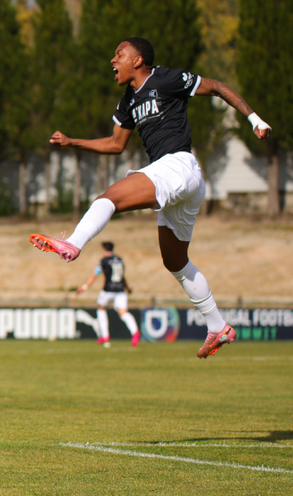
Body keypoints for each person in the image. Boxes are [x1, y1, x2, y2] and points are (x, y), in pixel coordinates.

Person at [29, 37, 272, 359]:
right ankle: (218, 326)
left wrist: (254, 118)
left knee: (108, 198)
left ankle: (72, 244)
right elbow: (115, 144)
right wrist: (73, 142)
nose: (113, 60)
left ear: (138, 60)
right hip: (180, 180)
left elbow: (216, 87)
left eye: (119, 54)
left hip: (179, 165)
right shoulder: (128, 100)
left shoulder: (165, 78)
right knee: (175, 261)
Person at [75, 242, 140, 348]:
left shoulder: (103, 261)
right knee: (123, 312)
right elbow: (122, 276)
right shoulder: (120, 260)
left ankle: (105, 335)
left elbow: (95, 275)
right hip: (120, 290)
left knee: (100, 308)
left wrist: (84, 287)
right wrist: (127, 288)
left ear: (104, 249)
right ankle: (135, 331)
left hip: (108, 289)